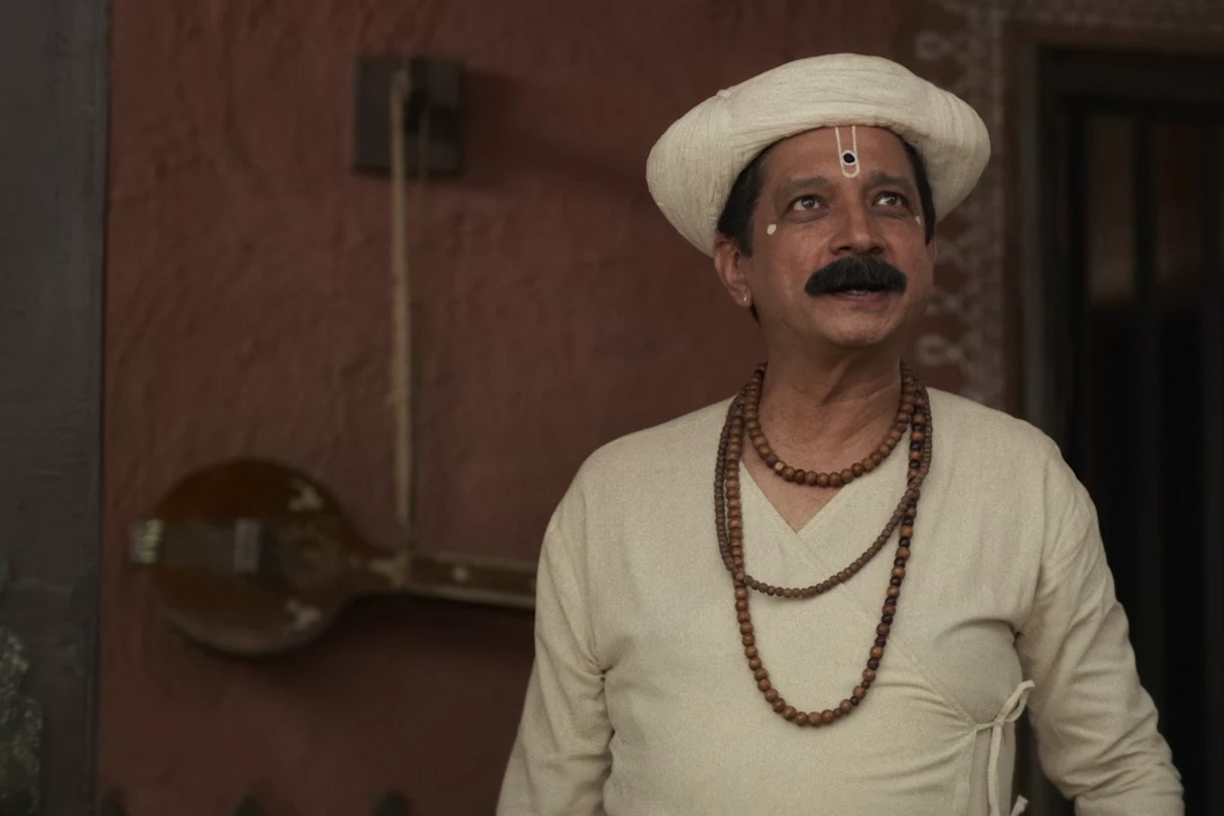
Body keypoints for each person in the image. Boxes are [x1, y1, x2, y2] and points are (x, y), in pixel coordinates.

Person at [496, 53, 1181, 816]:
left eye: (891, 202)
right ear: (736, 267)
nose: (860, 235)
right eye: (809, 205)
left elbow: (1123, 776)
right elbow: (548, 796)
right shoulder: (616, 496)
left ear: (929, 255)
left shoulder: (1020, 477)